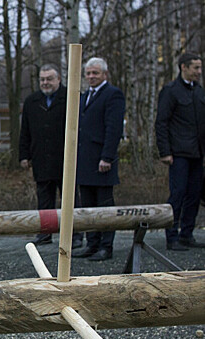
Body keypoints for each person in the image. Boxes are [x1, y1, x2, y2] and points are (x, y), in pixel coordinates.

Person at [19, 64, 83, 248]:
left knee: (70, 199)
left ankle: (75, 235)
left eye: (49, 79)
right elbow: (25, 131)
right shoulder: (32, 101)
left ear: (59, 79)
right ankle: (45, 234)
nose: (45, 82)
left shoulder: (71, 97)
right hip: (41, 158)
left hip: (66, 158)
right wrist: (24, 155)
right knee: (45, 199)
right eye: (42, 79)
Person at [72, 57, 125, 262]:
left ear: (105, 74)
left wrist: (107, 157)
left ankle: (106, 246)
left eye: (95, 73)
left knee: (104, 205)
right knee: (87, 206)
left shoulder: (113, 95)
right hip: (85, 161)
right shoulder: (84, 96)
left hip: (102, 160)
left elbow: (114, 129)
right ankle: (92, 243)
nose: (91, 76)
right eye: (88, 73)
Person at [155, 52, 205, 251]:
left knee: (194, 194)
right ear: (183, 67)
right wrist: (165, 151)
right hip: (178, 153)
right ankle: (172, 235)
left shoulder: (199, 91)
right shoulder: (171, 91)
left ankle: (187, 233)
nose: (199, 72)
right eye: (196, 68)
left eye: (200, 68)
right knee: (178, 194)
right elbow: (162, 123)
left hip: (197, 152)